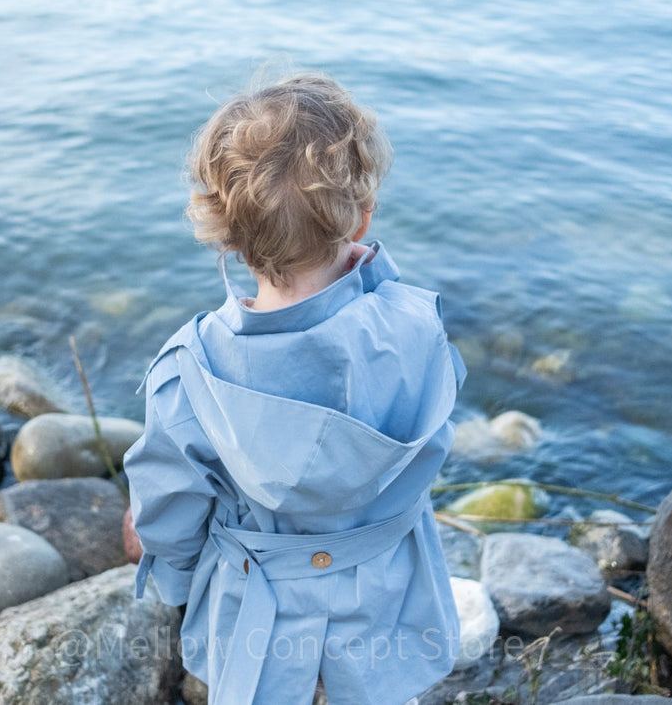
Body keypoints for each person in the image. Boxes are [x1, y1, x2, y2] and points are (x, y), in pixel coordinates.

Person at [123, 73, 465, 705]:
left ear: (225, 232)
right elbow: (431, 448)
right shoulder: (417, 328)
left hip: (259, 608)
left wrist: (171, 573)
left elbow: (169, 510)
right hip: (383, 594)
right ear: (362, 218)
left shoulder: (192, 371)